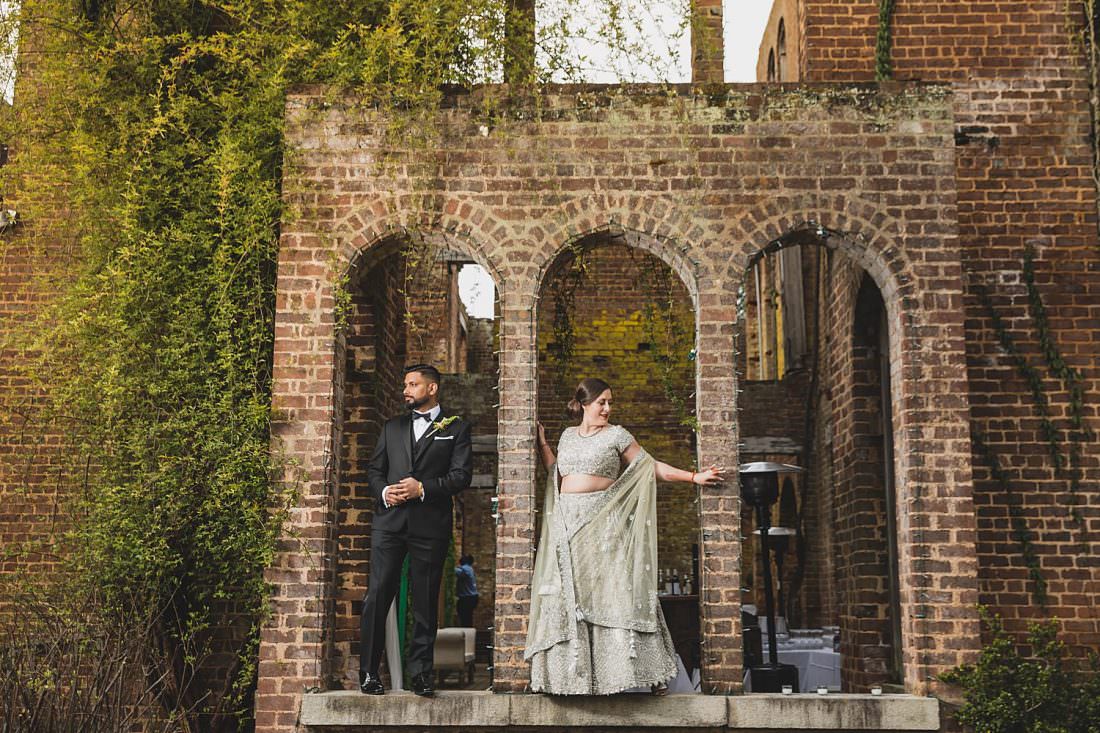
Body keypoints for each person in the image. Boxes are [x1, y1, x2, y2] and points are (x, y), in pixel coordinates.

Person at [525, 377, 724, 696]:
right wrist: (543, 444)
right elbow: (557, 473)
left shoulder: (617, 435)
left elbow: (650, 467)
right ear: (583, 404)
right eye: (601, 402)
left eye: (610, 402)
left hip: (603, 521)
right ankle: (575, 678)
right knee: (571, 593)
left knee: (617, 588)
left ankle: (650, 672)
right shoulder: (567, 436)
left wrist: (693, 477)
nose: (607, 408)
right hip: (568, 524)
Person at [360, 364, 473, 697]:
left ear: (432, 388)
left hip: (429, 526)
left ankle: (421, 675)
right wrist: (383, 491)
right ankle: (368, 673)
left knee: (424, 601)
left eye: (412, 384)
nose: (405, 390)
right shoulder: (391, 427)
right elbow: (374, 470)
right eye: (404, 384)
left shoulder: (457, 428)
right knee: (378, 595)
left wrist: (423, 488)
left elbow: (460, 477)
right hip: (389, 524)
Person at [455, 554, 479, 627]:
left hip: (468, 598)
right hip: (471, 597)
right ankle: (468, 632)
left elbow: (456, 571)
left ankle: (466, 633)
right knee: (467, 616)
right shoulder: (469, 568)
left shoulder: (466, 568)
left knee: (465, 616)